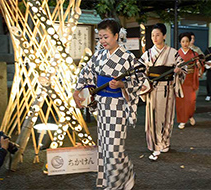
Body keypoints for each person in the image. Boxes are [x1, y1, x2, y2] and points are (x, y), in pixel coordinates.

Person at [73, 18, 146, 190]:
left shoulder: (127, 57)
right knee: (106, 147)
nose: (102, 41)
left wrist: (122, 85)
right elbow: (86, 72)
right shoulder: (98, 55)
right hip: (102, 105)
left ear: (116, 36)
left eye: (106, 37)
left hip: (118, 106)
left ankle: (115, 185)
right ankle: (125, 173)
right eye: (100, 38)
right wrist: (77, 90)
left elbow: (140, 80)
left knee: (114, 148)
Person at [140, 23, 185, 161]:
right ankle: (155, 147)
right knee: (154, 119)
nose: (154, 37)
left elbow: (183, 68)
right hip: (153, 90)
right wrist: (145, 82)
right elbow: (140, 71)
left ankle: (165, 142)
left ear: (164, 36)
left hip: (168, 89)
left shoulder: (173, 53)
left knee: (167, 117)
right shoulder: (147, 54)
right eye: (153, 35)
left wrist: (178, 71)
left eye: (157, 34)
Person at [176, 32, 204, 129]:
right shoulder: (176, 54)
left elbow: (200, 63)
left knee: (191, 101)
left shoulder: (194, 53)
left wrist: (199, 65)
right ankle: (182, 120)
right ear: (180, 42)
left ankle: (190, 115)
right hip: (180, 80)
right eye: (183, 41)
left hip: (191, 79)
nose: (185, 43)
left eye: (187, 41)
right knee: (180, 101)